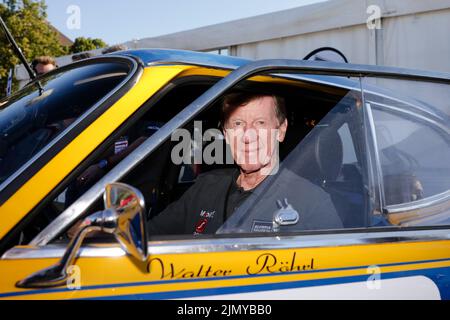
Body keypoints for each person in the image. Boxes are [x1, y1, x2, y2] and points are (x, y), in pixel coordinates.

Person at [147, 92, 342, 236]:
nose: (248, 136)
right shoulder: (204, 187)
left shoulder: (312, 203)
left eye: (260, 123)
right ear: (226, 134)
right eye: (238, 124)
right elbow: (147, 237)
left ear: (281, 131)